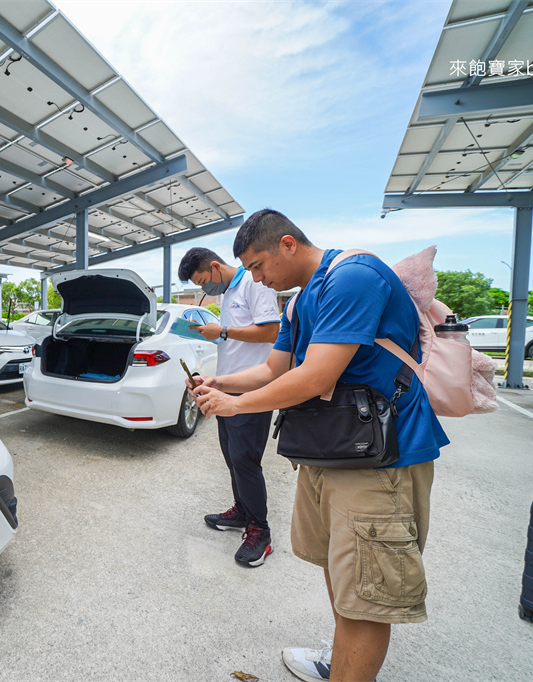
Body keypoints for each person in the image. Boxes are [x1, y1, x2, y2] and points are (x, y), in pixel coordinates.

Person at [191, 209, 448, 681]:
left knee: (367, 597)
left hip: (379, 459)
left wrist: (236, 406)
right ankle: (341, 667)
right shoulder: (298, 302)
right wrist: (221, 382)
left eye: (259, 266)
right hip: (333, 451)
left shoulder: (351, 277)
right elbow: (272, 370)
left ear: (288, 244)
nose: (257, 278)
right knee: (346, 578)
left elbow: (317, 375)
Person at [177, 247, 281, 567]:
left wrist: (221, 330)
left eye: (204, 281)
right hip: (226, 391)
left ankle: (259, 532)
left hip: (250, 393)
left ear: (215, 266)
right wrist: (211, 378)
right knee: (231, 456)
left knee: (245, 460)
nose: (206, 289)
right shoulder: (227, 295)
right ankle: (242, 510)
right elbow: (236, 344)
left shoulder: (253, 284)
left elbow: (271, 330)